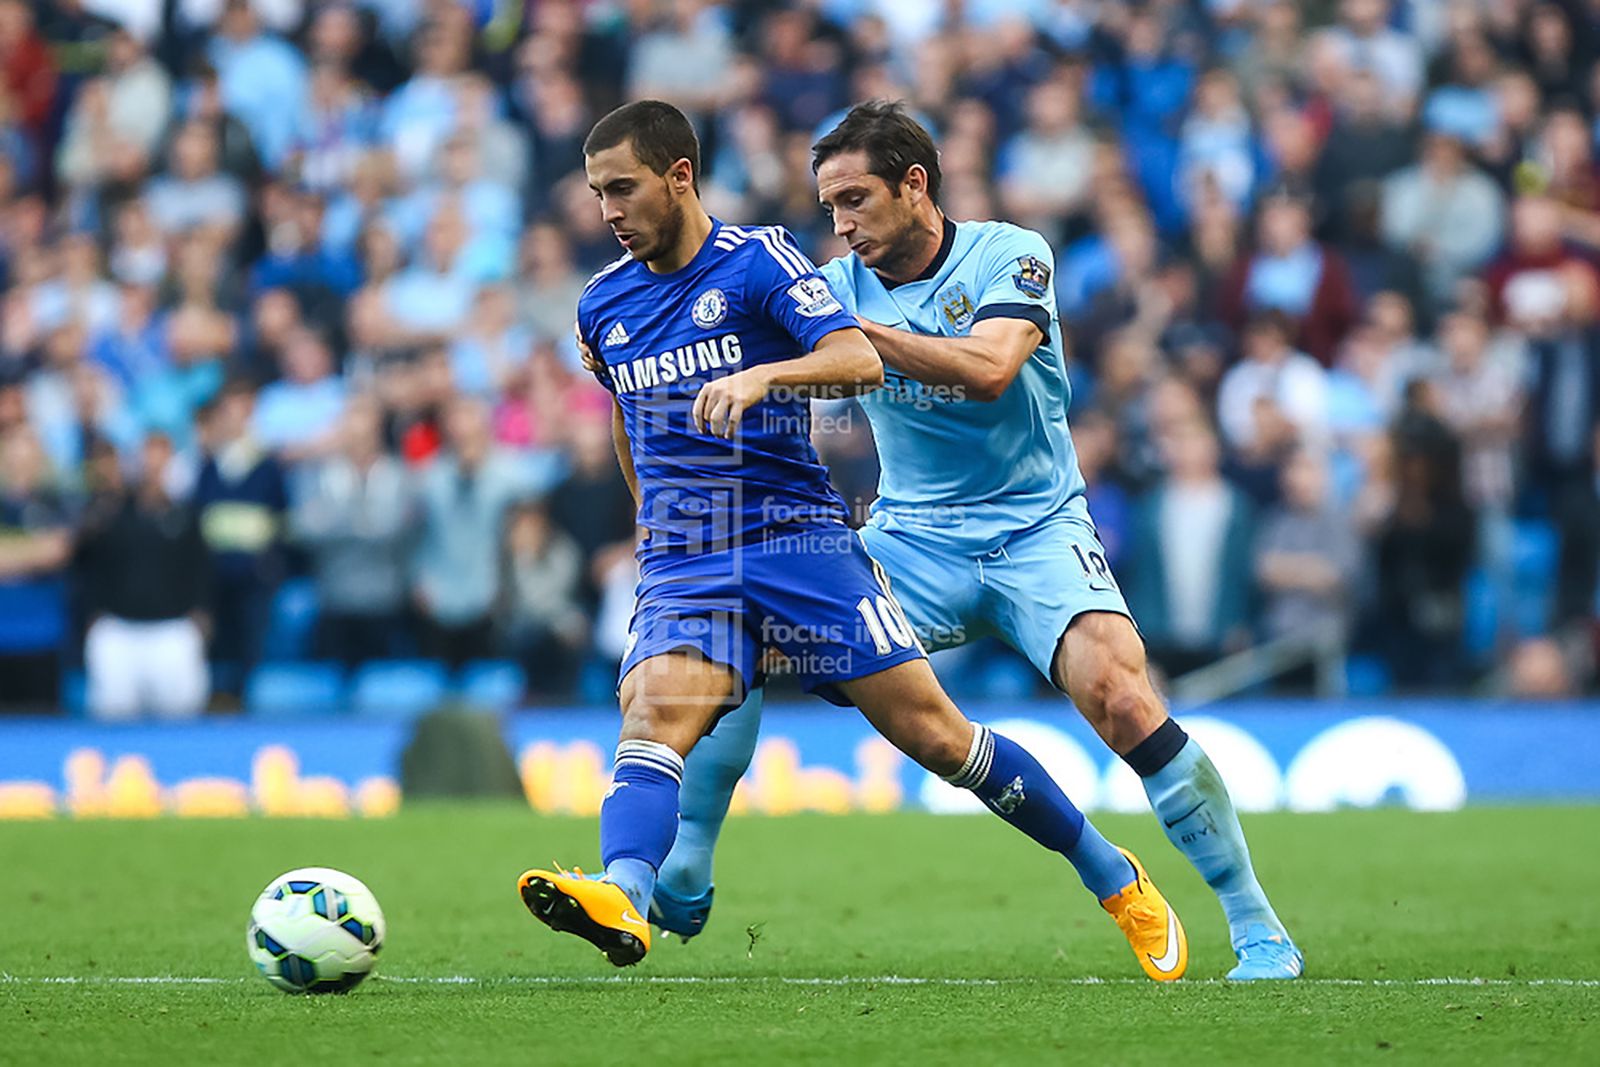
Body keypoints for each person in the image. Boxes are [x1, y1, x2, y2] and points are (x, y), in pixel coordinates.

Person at [593, 102, 1302, 980]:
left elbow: (990, 368)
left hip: (1035, 525)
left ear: (915, 184)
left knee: (1120, 697)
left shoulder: (1009, 253)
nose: (842, 224)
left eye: (856, 200)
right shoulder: (827, 282)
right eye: (830, 207)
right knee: (750, 642)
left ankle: (1254, 920)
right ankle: (688, 863)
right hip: (911, 535)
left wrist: (844, 338)